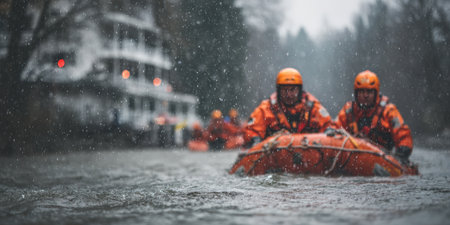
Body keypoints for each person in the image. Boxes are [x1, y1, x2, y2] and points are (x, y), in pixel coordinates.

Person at [334, 70, 413, 164]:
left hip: (381, 158)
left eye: (369, 91)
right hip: (353, 157)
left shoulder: (388, 111)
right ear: (356, 93)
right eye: (362, 91)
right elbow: (335, 128)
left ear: (376, 93)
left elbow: (403, 135)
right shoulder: (348, 111)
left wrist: (402, 152)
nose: (365, 95)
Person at [243, 68, 332, 147]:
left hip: (309, 155)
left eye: (292, 90)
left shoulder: (313, 108)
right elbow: (251, 130)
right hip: (276, 158)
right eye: (284, 90)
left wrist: (329, 132)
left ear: (299, 90)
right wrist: (256, 141)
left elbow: (328, 125)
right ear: (279, 91)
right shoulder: (266, 109)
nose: (289, 95)